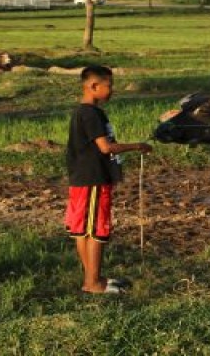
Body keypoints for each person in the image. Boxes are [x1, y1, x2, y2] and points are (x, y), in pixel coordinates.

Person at [64, 65, 151, 295]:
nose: (112, 90)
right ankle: (93, 284)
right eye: (109, 85)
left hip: (84, 178)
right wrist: (137, 146)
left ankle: (92, 278)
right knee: (95, 231)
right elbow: (105, 147)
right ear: (94, 86)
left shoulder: (86, 112)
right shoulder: (90, 113)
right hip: (92, 179)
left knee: (84, 230)